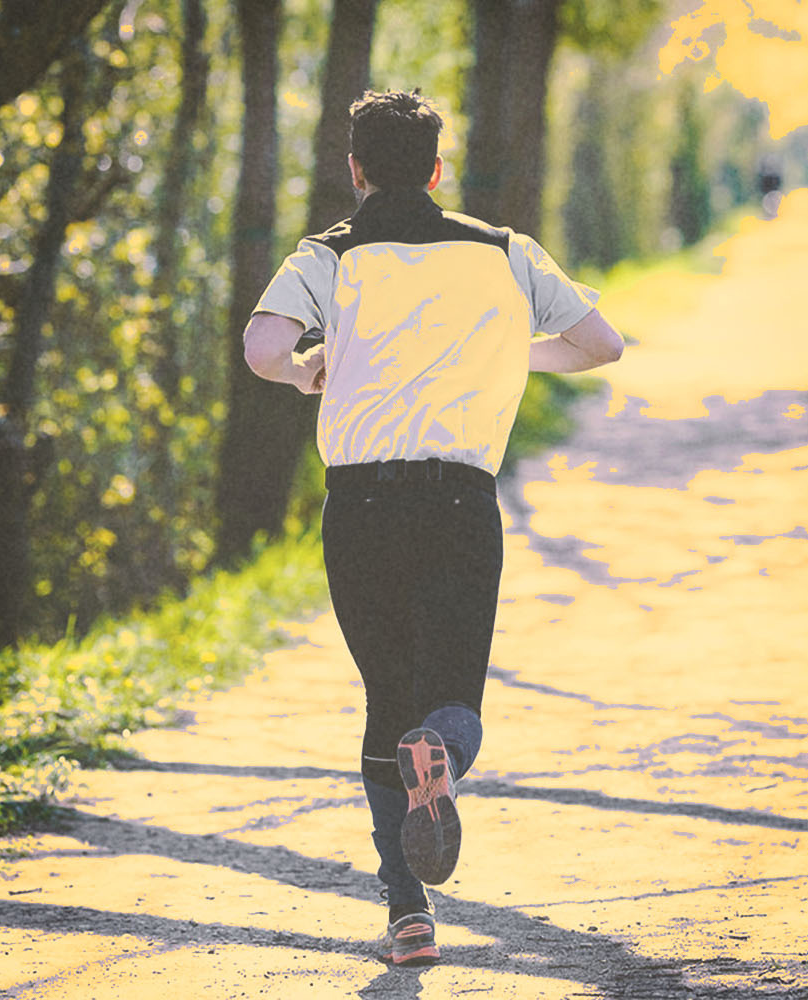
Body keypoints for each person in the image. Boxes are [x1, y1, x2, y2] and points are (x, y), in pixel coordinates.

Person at [242, 89, 623, 967]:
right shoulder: (503, 252)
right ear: (438, 169)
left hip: (361, 506)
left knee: (385, 696)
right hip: (459, 502)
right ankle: (441, 753)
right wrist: (504, 347)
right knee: (453, 696)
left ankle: (407, 914)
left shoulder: (328, 253)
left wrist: (309, 372)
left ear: (356, 169)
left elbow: (264, 350)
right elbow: (602, 345)